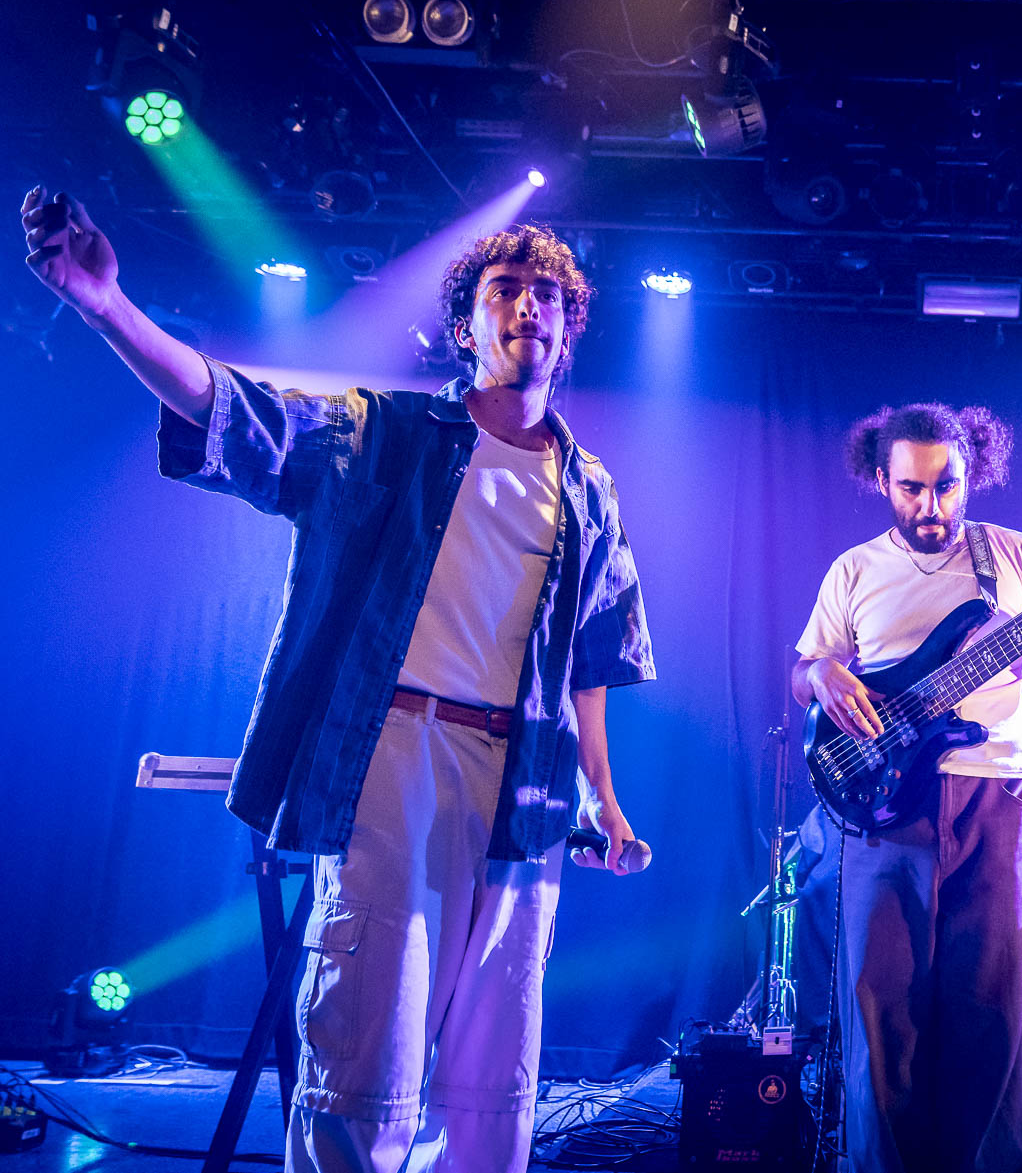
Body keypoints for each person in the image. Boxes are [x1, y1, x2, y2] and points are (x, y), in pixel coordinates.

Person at [19, 196, 654, 1173]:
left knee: (495, 1085)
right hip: (395, 756)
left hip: (527, 785)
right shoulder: (387, 433)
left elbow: (591, 661)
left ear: (569, 331)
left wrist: (604, 797)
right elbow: (241, 412)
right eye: (505, 289)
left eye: (548, 295)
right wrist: (107, 306)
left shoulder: (589, 488)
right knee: (368, 1058)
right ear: (466, 326)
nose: (529, 305)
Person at [791, 403, 1022, 1172]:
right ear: (881, 480)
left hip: (997, 797)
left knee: (993, 1012)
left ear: (971, 473)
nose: (932, 505)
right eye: (912, 488)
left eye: (947, 485)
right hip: (885, 807)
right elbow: (804, 671)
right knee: (883, 1012)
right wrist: (818, 674)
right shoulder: (854, 570)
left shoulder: (1014, 557)